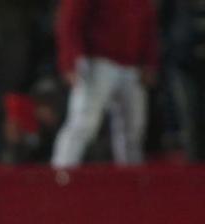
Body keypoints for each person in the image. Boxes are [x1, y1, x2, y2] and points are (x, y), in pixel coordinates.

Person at [50, 0, 158, 168]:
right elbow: (70, 19)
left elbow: (148, 24)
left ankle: (133, 184)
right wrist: (69, 60)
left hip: (132, 65)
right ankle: (60, 175)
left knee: (134, 130)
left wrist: (149, 62)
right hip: (98, 61)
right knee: (83, 124)